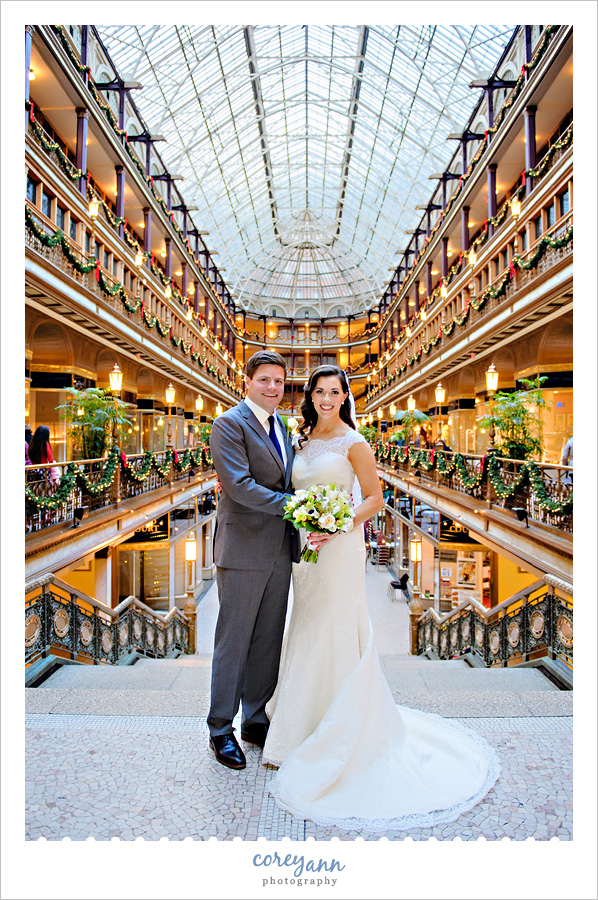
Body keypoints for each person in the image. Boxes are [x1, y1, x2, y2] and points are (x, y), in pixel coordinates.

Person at [263, 365, 500, 831]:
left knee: (335, 625)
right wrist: (310, 522)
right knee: (307, 624)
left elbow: (374, 496)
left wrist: (337, 523)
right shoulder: (302, 439)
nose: (326, 398)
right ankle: (302, 721)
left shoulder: (355, 442)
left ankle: (336, 729)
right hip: (306, 551)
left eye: (335, 392)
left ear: (344, 396)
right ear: (308, 396)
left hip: (339, 546)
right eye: (319, 391)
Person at [207, 351, 300, 770]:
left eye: (279, 381)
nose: (272, 388)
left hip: (279, 548)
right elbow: (239, 486)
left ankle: (255, 719)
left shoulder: (280, 424)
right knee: (234, 640)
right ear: (247, 381)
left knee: (267, 640)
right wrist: (295, 505)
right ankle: (220, 728)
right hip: (242, 550)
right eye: (264, 380)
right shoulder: (228, 424)